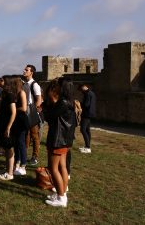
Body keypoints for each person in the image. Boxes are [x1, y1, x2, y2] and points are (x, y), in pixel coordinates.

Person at [43, 79, 74, 207]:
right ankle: (62, 193)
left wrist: (45, 107)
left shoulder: (62, 103)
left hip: (58, 139)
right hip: (64, 139)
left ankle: (61, 198)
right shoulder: (68, 102)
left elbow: (50, 117)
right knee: (62, 167)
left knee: (54, 168)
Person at [0, 75, 18, 181]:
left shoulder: (10, 95)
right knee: (6, 148)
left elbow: (13, 112)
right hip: (2, 123)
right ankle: (7, 169)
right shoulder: (4, 94)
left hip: (7, 125)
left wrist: (8, 127)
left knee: (9, 149)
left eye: (2, 80)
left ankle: (9, 173)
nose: (0, 81)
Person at [23, 64, 42, 166]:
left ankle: (35, 156)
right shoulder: (25, 84)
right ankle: (24, 155)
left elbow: (39, 100)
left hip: (32, 113)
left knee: (34, 136)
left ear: (31, 72)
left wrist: (34, 112)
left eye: (26, 70)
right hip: (25, 112)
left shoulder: (34, 84)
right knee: (26, 135)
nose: (24, 71)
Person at [79, 84, 96, 154]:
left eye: (81, 90)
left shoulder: (87, 94)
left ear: (83, 87)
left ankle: (88, 147)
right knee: (87, 130)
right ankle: (87, 146)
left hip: (87, 114)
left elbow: (86, 104)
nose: (81, 92)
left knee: (83, 129)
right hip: (90, 113)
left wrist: (79, 103)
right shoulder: (92, 93)